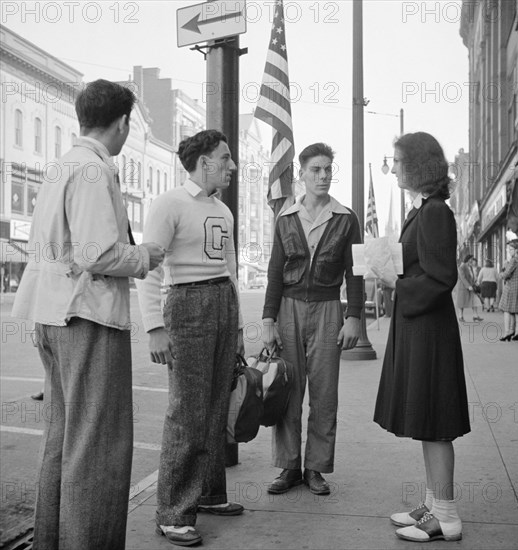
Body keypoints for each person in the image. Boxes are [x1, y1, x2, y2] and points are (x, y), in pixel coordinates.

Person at [11, 79, 165, 550]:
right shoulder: (96, 170)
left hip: (50, 315)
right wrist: (148, 256)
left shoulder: (61, 165)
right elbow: (98, 253)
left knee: (63, 437)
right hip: (88, 317)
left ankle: (53, 541)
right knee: (98, 447)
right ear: (121, 124)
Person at [136, 129, 245, 547]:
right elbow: (149, 267)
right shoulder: (169, 204)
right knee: (187, 410)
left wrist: (236, 327)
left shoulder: (222, 209)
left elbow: (230, 267)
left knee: (217, 403)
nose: (231, 166)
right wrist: (154, 327)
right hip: (187, 306)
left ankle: (210, 494)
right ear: (204, 162)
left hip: (222, 302)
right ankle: (173, 512)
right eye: (225, 157)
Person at [374, 132, 470, 543]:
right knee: (428, 418)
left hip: (429, 331)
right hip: (421, 328)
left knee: (436, 421)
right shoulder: (425, 209)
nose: (393, 167)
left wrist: (395, 285)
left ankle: (446, 516)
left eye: (396, 161)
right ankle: (433, 505)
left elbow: (441, 278)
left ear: (416, 164)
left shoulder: (434, 212)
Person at [262, 142, 363, 496]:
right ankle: (287, 467)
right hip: (288, 307)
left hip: (328, 309)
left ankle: (315, 468)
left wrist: (353, 317)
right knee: (288, 390)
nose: (323, 176)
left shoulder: (346, 218)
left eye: (327, 169)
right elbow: (275, 271)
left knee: (324, 394)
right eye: (315, 170)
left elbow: (356, 273)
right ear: (301, 174)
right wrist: (268, 320)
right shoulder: (286, 217)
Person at [498, 239, 518, 341]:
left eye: (510, 249)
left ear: (516, 250)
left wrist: (501, 274)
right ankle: (517, 333)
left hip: (512, 287)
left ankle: (506, 333)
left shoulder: (514, 260)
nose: (509, 251)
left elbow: (506, 274)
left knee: (506, 310)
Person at [455, 254, 483, 322]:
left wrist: (474, 283)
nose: (472, 261)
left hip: (471, 287)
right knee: (461, 303)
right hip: (463, 288)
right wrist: (468, 286)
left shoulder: (470, 267)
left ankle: (475, 316)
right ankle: (460, 316)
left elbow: (471, 277)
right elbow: (462, 278)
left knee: (475, 300)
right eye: (471, 259)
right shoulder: (461, 267)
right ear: (468, 259)